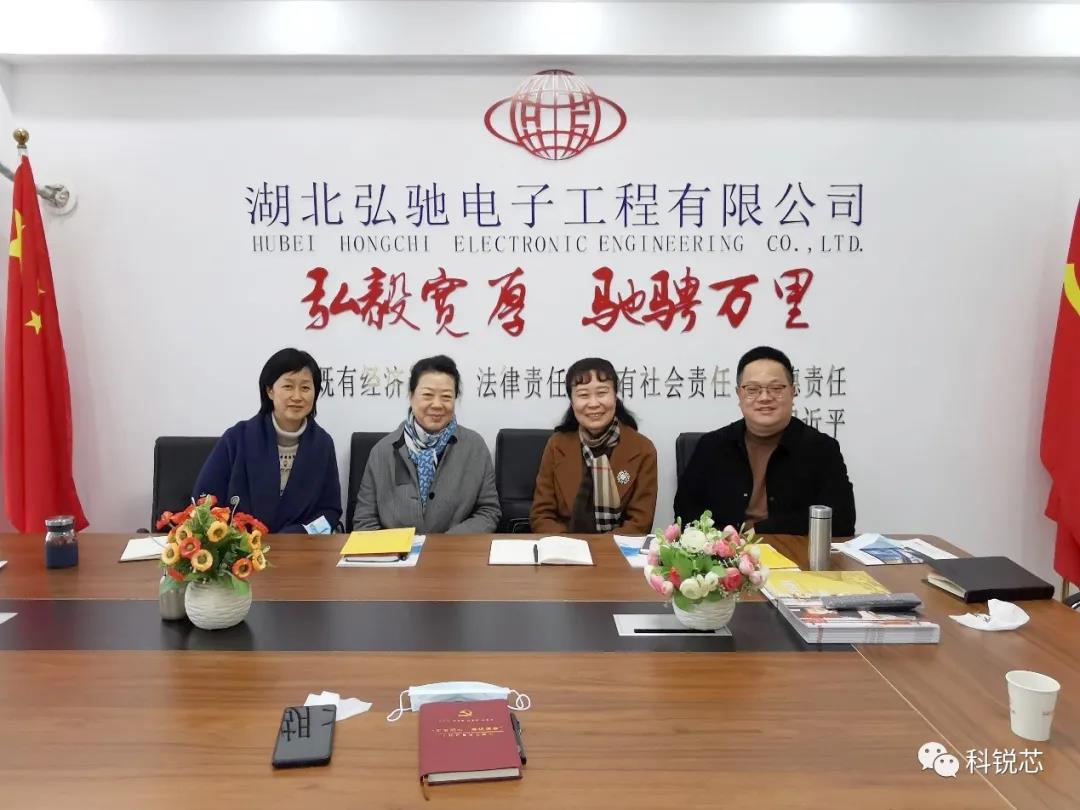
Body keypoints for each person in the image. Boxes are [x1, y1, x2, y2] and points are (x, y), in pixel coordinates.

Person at [673, 345, 855, 535]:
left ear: (793, 392)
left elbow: (842, 520)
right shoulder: (711, 446)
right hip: (724, 550)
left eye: (776, 388)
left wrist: (762, 530)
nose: (765, 397)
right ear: (739, 395)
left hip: (794, 551)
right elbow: (684, 514)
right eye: (752, 389)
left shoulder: (821, 449)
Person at [193, 348, 342, 533]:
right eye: (288, 386)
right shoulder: (237, 438)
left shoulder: (322, 444)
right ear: (270, 391)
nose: (297, 396)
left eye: (305, 388)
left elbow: (330, 511)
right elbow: (205, 502)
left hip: (300, 545)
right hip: (241, 545)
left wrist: (300, 534)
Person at [352, 355, 500, 533]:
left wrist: (446, 543)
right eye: (428, 395)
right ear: (411, 396)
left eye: (446, 397)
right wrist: (396, 547)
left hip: (455, 549)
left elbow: (488, 512)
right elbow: (364, 520)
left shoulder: (475, 447)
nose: (437, 405)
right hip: (395, 550)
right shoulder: (382, 451)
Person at [531, 358, 658, 534]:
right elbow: (541, 515)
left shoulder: (642, 449)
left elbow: (640, 522)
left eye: (602, 393)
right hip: (563, 546)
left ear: (615, 396)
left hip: (618, 548)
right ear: (572, 401)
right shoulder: (557, 445)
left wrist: (600, 546)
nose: (593, 403)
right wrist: (570, 546)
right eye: (583, 395)